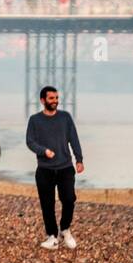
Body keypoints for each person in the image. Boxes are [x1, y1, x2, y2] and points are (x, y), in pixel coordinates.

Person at [26, 86, 84, 250]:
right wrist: (43, 151)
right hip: (44, 169)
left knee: (69, 199)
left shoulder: (65, 117)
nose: (55, 101)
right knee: (47, 204)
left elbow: (74, 139)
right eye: (51, 98)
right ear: (43, 100)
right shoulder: (35, 120)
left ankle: (65, 229)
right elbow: (30, 141)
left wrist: (79, 159)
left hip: (65, 167)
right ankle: (52, 236)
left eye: (57, 98)